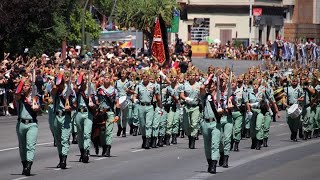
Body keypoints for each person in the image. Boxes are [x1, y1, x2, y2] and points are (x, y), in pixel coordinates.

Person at [15, 77, 40, 176]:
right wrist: (21, 82)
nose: (25, 87)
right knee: (22, 146)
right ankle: (24, 165)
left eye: (27, 85)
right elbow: (16, 94)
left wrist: (35, 107)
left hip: (32, 124)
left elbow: (37, 108)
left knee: (30, 145)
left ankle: (28, 166)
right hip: (21, 123)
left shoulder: (35, 97)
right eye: (24, 86)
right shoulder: (20, 97)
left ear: (30, 87)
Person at [51, 71, 75, 169]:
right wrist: (55, 88)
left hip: (66, 116)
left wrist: (70, 105)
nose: (59, 86)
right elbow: (51, 93)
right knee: (58, 140)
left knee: (65, 139)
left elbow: (74, 104)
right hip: (56, 117)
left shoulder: (69, 90)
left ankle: (64, 160)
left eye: (60, 84)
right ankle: (61, 158)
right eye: (58, 84)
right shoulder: (56, 92)